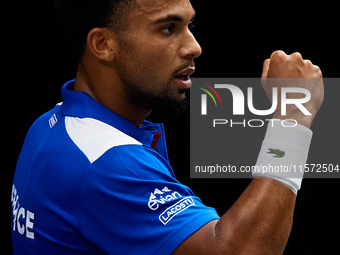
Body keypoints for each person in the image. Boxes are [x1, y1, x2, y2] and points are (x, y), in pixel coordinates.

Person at [11, 0, 324, 254]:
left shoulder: (49, 124)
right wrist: (292, 117)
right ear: (103, 44)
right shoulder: (108, 164)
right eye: (167, 28)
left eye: (190, 26)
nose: (194, 47)